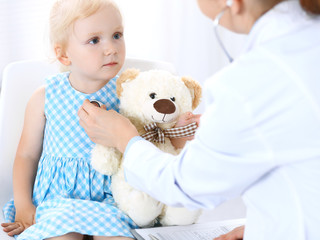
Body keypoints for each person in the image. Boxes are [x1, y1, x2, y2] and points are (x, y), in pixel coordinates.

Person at [78, 0, 320, 239]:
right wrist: (266, 227)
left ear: (232, 3)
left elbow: (183, 185)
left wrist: (125, 139)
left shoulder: (249, 84)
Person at [0, 0, 195, 239]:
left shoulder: (130, 95)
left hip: (113, 199)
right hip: (59, 199)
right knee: (63, 236)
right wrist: (23, 205)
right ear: (63, 55)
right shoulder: (45, 96)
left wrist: (181, 135)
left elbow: (153, 144)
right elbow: (26, 156)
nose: (111, 48)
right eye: (94, 40)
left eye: (116, 35)